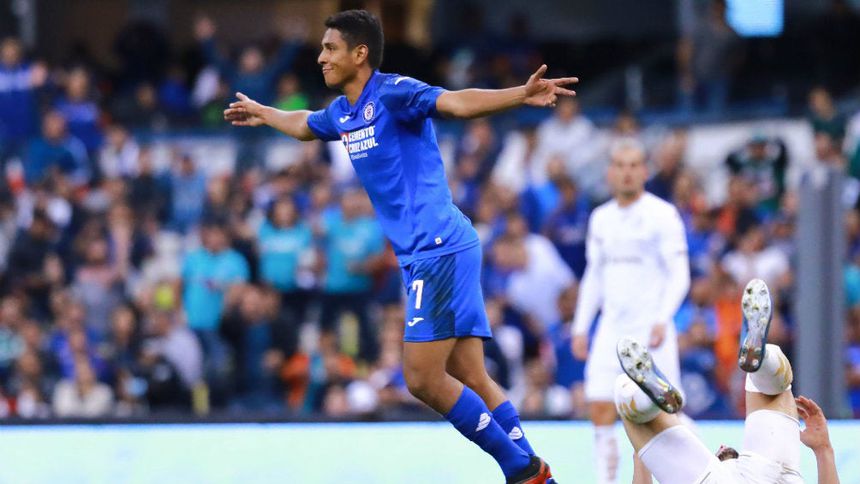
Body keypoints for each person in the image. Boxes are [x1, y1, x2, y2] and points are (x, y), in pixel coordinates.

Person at [224, 9, 577, 483]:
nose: (321, 57)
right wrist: (264, 113)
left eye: (330, 48)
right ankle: (540, 477)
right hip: (431, 252)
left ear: (360, 53)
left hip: (437, 248)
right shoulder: (344, 113)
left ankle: (521, 470)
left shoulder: (393, 93)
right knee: (471, 376)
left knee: (422, 378)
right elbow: (305, 123)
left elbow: (455, 103)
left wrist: (519, 94)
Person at [615, 278, 840, 484]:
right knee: (627, 399)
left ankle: (649, 401)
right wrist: (823, 449)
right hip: (758, 475)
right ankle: (759, 359)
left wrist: (643, 449)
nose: (721, 446)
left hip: (756, 475)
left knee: (773, 387)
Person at [570, 139, 690, 484]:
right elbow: (594, 275)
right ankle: (606, 479)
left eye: (634, 165)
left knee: (666, 413)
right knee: (599, 405)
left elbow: (679, 274)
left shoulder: (662, 214)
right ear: (610, 172)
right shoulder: (600, 219)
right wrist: (581, 326)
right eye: (620, 165)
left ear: (645, 171)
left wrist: (663, 318)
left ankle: (694, 471)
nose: (627, 173)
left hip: (651, 330)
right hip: (611, 328)